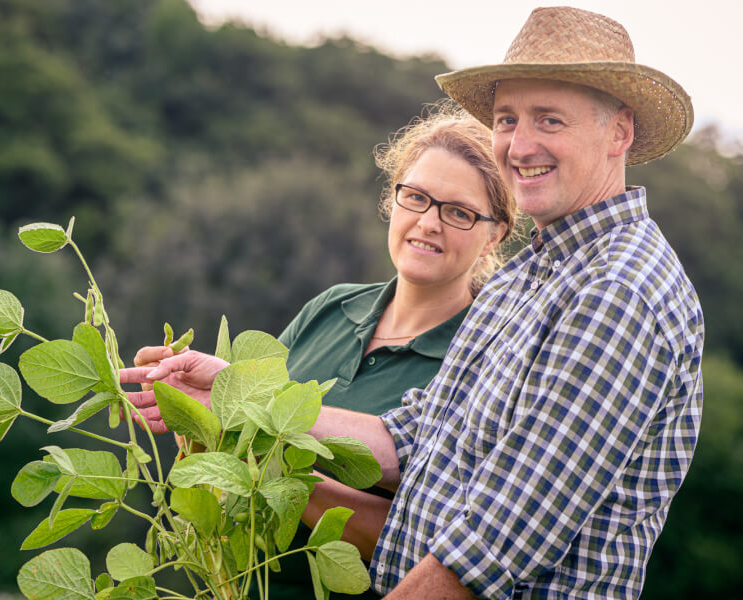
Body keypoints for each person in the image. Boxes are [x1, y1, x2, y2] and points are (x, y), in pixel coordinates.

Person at [125, 7, 705, 597]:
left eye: (549, 120)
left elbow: (492, 547)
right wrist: (235, 397)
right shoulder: (528, 278)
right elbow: (423, 435)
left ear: (619, 132)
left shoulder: (618, 289)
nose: (520, 144)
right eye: (507, 118)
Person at [123, 104, 517, 598]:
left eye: (458, 212)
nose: (428, 223)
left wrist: (283, 475)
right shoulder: (332, 307)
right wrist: (204, 418)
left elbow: (438, 547)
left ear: (494, 233)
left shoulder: (493, 353)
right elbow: (236, 459)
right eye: (416, 197)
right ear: (393, 199)